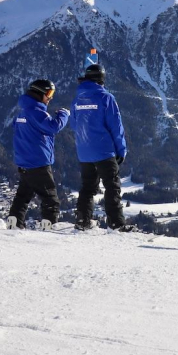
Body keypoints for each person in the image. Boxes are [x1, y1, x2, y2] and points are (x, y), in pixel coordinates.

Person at [70, 63, 131, 231]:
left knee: (87, 188)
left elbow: (74, 124)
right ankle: (116, 224)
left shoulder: (77, 99)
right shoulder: (106, 98)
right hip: (104, 151)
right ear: (101, 79)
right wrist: (121, 150)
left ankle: (82, 221)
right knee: (112, 186)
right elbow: (116, 127)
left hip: (84, 152)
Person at [6, 79, 70, 230]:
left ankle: (14, 223)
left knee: (23, 196)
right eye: (49, 93)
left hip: (24, 162)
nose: (50, 97)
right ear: (39, 94)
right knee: (50, 198)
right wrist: (64, 114)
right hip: (38, 163)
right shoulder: (37, 113)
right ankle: (49, 226)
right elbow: (53, 127)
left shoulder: (22, 113)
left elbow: (17, 127)